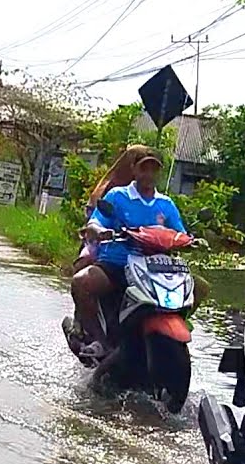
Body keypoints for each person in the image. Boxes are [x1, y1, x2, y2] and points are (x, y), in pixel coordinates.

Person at [70, 151, 186, 358]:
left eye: (154, 169)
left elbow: (180, 233)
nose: (149, 174)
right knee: (81, 283)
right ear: (133, 169)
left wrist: (190, 242)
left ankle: (170, 332)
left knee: (199, 287)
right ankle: (99, 340)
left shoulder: (166, 204)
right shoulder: (117, 196)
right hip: (116, 265)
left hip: (154, 270)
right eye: (144, 168)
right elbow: (96, 221)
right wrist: (98, 231)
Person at [72, 145, 152, 274]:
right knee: (86, 266)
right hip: (106, 245)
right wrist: (102, 231)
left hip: (141, 253)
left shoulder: (155, 197)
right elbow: (94, 215)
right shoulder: (111, 191)